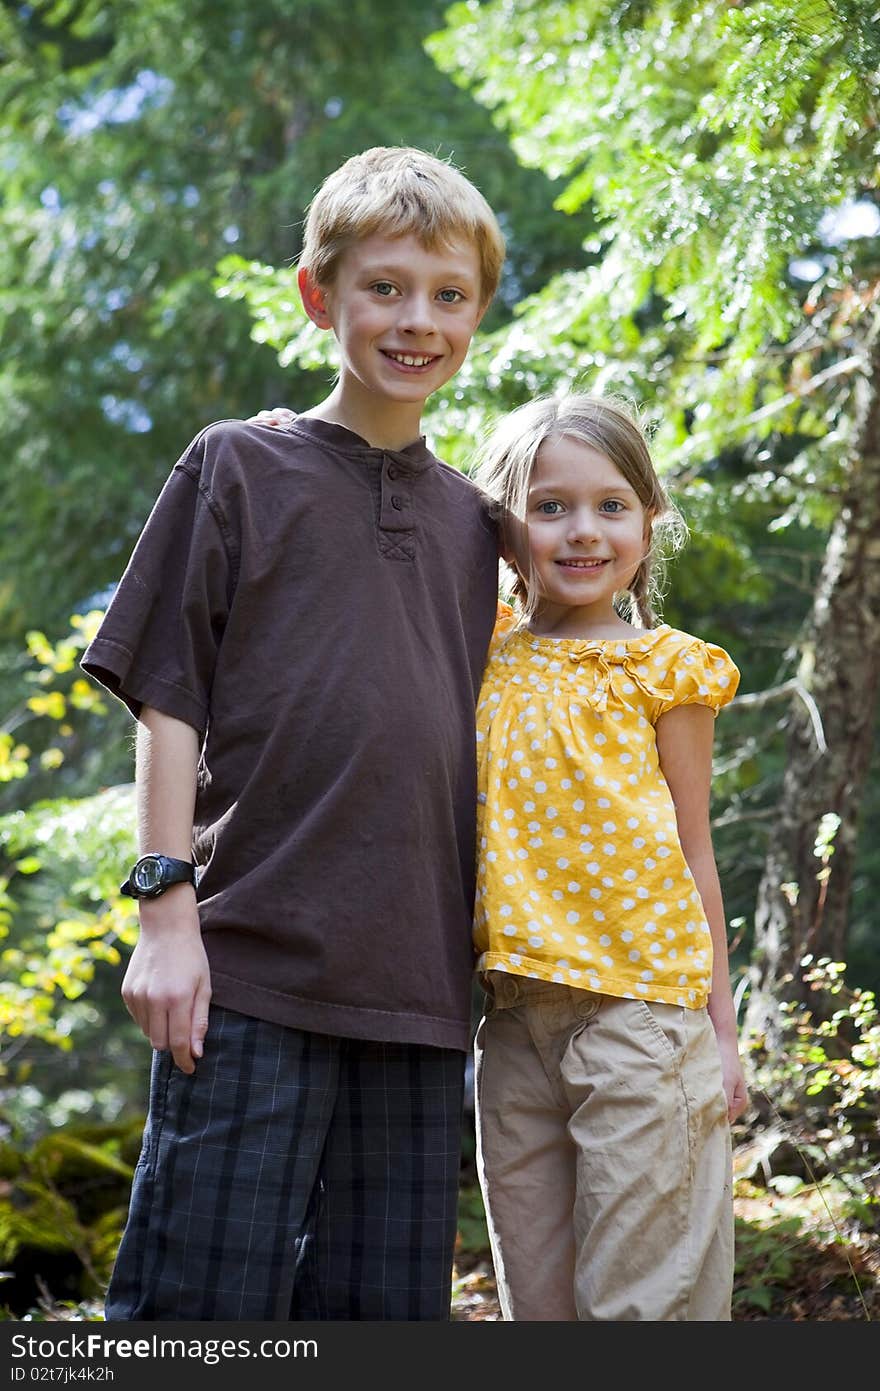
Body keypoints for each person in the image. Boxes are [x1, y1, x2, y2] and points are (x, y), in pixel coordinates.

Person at [80, 145, 506, 1321]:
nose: (416, 319)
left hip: (420, 994)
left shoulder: (483, 523)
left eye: (448, 294)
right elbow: (168, 689)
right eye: (385, 286)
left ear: (476, 310)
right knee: (193, 1317)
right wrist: (164, 913)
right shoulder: (239, 464)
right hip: (250, 967)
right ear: (320, 294)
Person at [468, 391, 749, 1321]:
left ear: (648, 519)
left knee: (642, 1310)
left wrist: (722, 1026)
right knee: (536, 1312)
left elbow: (695, 850)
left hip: (644, 1020)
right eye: (549, 506)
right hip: (511, 1025)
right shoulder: (483, 650)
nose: (582, 530)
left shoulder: (667, 670)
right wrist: (293, 438)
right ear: (505, 526)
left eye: (611, 505)